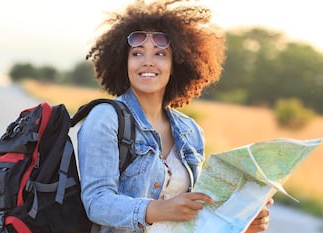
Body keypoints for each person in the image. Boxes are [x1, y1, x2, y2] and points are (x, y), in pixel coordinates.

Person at [77, 0, 273, 232]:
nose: (147, 61)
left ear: (177, 64)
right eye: (137, 53)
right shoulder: (106, 117)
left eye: (160, 54)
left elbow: (192, 218)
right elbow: (96, 202)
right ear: (123, 62)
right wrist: (157, 209)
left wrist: (239, 222)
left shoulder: (191, 132)